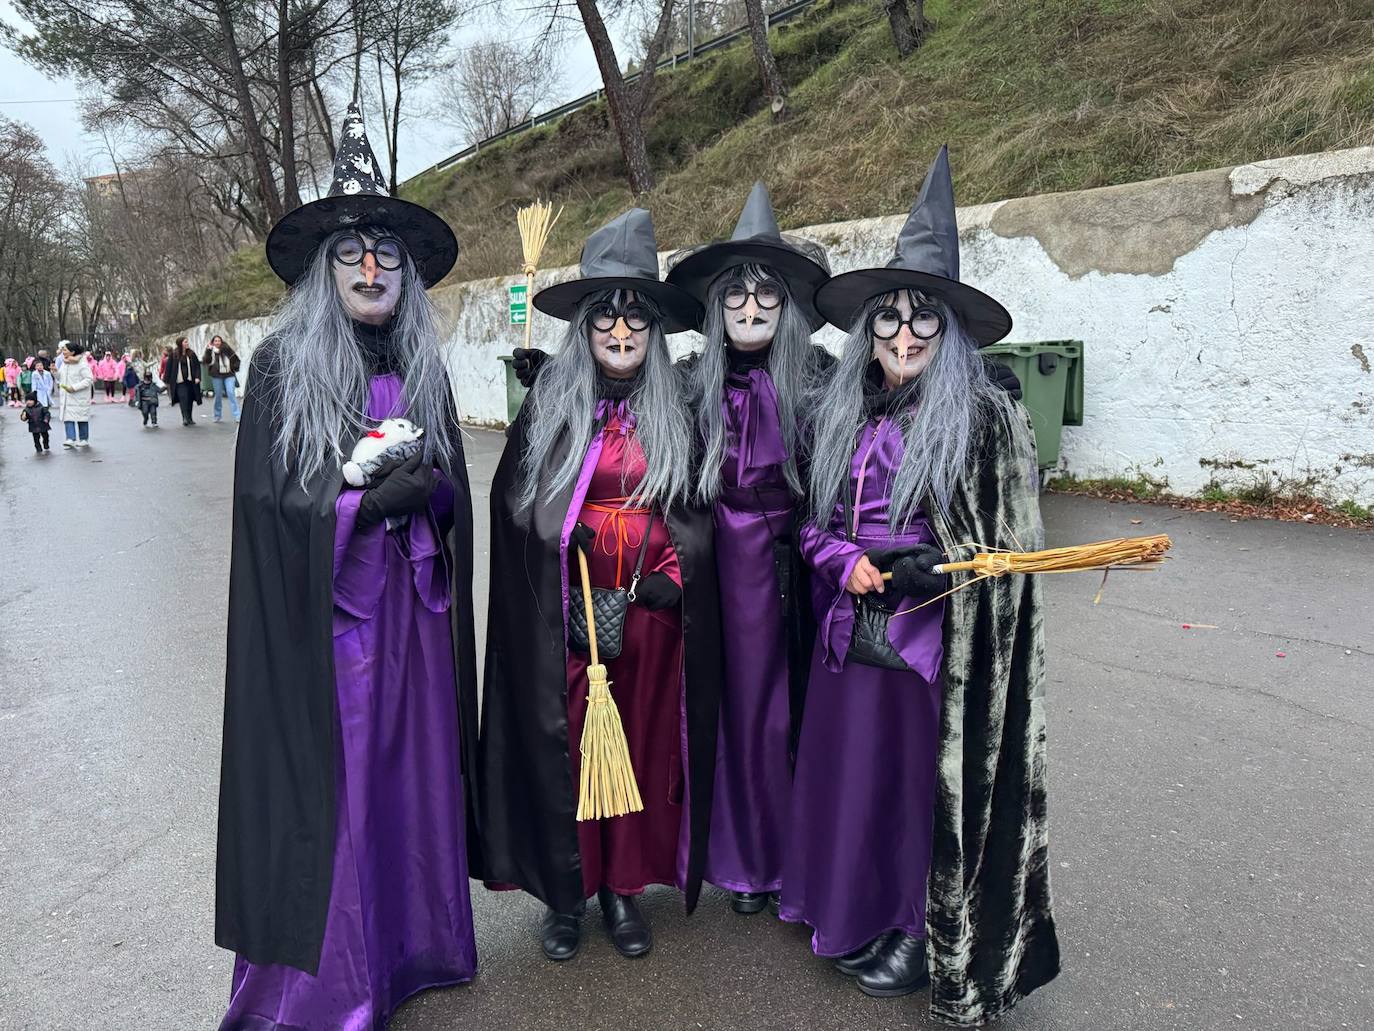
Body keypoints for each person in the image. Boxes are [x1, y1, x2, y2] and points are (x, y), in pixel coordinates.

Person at [217, 101, 480, 1030]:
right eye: (351, 255)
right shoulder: (283, 365)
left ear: (407, 275)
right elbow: (267, 506)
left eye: (387, 257)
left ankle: (416, 946)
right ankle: (330, 987)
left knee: (414, 778)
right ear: (325, 271)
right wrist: (362, 504)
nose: (372, 270)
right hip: (336, 630)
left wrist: (432, 494)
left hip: (416, 613)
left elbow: (454, 491)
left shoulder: (425, 366)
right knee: (347, 793)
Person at [780, 147, 1059, 1019]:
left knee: (915, 789)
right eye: (888, 320)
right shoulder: (844, 408)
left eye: (921, 322)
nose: (902, 336)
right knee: (849, 775)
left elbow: (1006, 548)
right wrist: (844, 561)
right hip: (847, 630)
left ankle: (917, 924)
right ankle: (850, 906)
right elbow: (812, 523)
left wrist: (933, 566)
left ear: (948, 328)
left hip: (932, 644)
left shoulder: (987, 414)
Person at [480, 208, 724, 963]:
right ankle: (564, 894)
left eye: (636, 321)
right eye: (606, 320)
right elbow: (512, 501)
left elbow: (702, 506)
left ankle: (622, 888)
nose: (621, 332)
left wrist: (673, 577)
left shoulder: (680, 409)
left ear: (654, 331)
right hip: (569, 612)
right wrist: (558, 535)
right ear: (585, 327)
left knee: (642, 748)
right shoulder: (553, 405)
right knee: (569, 751)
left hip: (649, 616)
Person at [660, 182, 836, 916]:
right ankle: (735, 852)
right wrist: (551, 387)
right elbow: (622, 411)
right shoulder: (688, 383)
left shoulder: (823, 379)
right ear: (718, 308)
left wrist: (983, 382)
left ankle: (786, 853)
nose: (752, 311)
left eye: (766, 300)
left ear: (787, 307)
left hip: (796, 562)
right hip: (714, 563)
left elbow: (895, 402)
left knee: (785, 710)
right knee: (722, 706)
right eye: (737, 300)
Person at [56, 341, 94, 448]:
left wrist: (74, 387)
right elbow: (61, 378)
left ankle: (83, 438)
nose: (62, 352)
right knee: (68, 417)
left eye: (65, 350)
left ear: (72, 352)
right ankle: (70, 438)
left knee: (81, 417)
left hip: (79, 396)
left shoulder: (82, 364)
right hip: (67, 396)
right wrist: (55, 372)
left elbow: (89, 379)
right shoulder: (64, 363)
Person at [202, 335, 241, 422]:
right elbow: (206, 361)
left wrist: (234, 368)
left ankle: (237, 415)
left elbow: (236, 360)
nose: (217, 342)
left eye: (219, 341)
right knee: (218, 395)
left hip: (229, 375)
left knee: (231, 393)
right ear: (213, 342)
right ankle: (217, 415)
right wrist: (208, 351)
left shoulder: (227, 349)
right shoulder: (211, 351)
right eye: (215, 341)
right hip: (217, 376)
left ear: (221, 342)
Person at [163, 337, 201, 426]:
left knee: (190, 399)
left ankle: (190, 417)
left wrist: (198, 377)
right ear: (180, 343)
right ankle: (185, 417)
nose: (187, 343)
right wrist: (166, 379)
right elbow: (169, 367)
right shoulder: (174, 354)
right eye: (185, 342)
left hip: (190, 380)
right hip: (179, 381)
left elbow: (197, 366)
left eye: (187, 342)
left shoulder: (191, 354)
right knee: (183, 398)